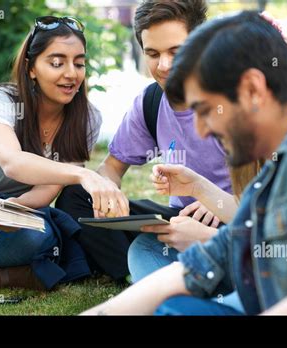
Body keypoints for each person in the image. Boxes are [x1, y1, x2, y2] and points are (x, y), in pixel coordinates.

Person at [81, 10, 287, 315]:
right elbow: (198, 265)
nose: (201, 128)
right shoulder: (275, 172)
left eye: (206, 110)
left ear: (252, 89)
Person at [0, 16, 127, 291]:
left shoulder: (87, 118)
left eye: (79, 63)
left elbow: (46, 191)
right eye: (57, 63)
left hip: (13, 211)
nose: (71, 73)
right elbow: (12, 162)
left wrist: (14, 209)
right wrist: (82, 174)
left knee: (37, 235)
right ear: (31, 68)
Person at [55, 0, 236, 283]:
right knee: (76, 197)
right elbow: (112, 168)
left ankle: (163, 273)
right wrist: (105, 193)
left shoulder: (238, 97)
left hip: (236, 219)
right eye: (152, 53)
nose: (164, 65)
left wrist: (217, 201)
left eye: (176, 51)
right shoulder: (151, 101)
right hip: (178, 218)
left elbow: (275, 189)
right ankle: (132, 274)